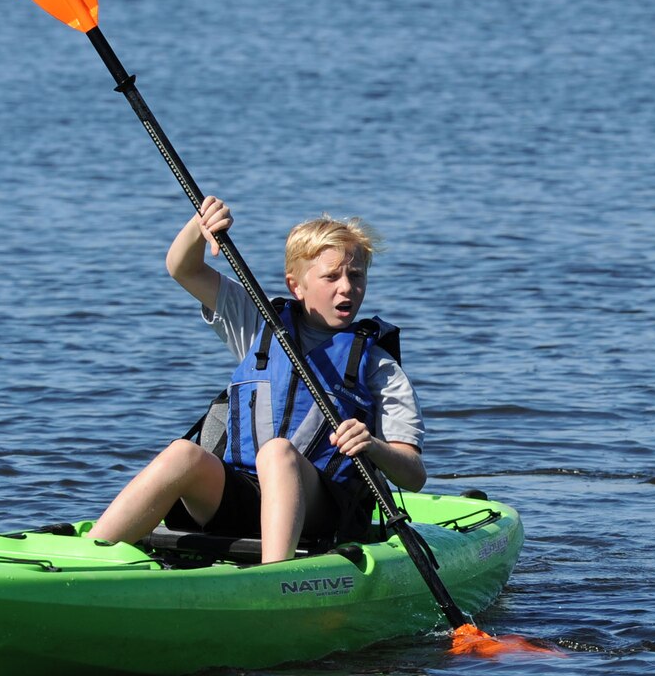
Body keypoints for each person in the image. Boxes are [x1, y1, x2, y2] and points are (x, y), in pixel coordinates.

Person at [90, 196, 425, 562]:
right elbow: (182, 268)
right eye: (331, 276)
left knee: (277, 453)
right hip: (242, 496)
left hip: (323, 512)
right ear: (296, 286)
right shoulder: (259, 324)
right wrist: (199, 227)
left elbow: (413, 475)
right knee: (183, 453)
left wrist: (373, 445)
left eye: (356, 276)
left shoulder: (379, 367)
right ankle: (90, 554)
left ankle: (273, 575)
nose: (346, 287)